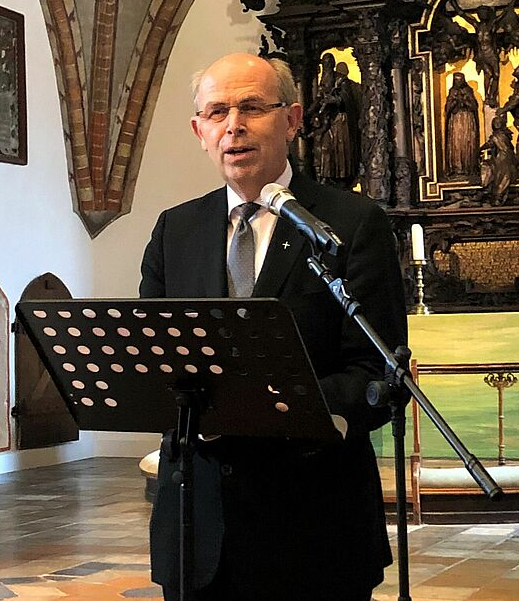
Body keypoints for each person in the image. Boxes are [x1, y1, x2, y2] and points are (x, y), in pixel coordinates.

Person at [140, 53, 407, 601]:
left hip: (312, 522)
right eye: (216, 112)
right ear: (199, 130)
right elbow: (154, 361)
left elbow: (375, 372)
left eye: (252, 108)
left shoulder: (351, 225)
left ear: (292, 119)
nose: (232, 125)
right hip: (198, 526)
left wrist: (266, 405)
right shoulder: (176, 230)